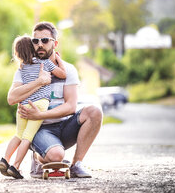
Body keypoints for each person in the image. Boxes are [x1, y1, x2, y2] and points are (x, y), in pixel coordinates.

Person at [7, 21, 103, 178]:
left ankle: (76, 164)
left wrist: (40, 114)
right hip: (39, 129)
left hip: (64, 126)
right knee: (56, 156)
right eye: (35, 41)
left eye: (45, 40)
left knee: (95, 111)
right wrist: (38, 81)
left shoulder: (68, 69)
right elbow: (11, 98)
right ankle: (38, 156)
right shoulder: (24, 69)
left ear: (55, 43)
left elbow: (71, 107)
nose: (39, 45)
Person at [0, 35, 67, 179]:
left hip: (23, 105)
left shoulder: (21, 68)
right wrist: (59, 60)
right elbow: (62, 74)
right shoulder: (44, 62)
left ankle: (5, 160)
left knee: (18, 134)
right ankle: (15, 166)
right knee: (27, 138)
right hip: (39, 104)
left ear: (17, 53)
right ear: (32, 48)